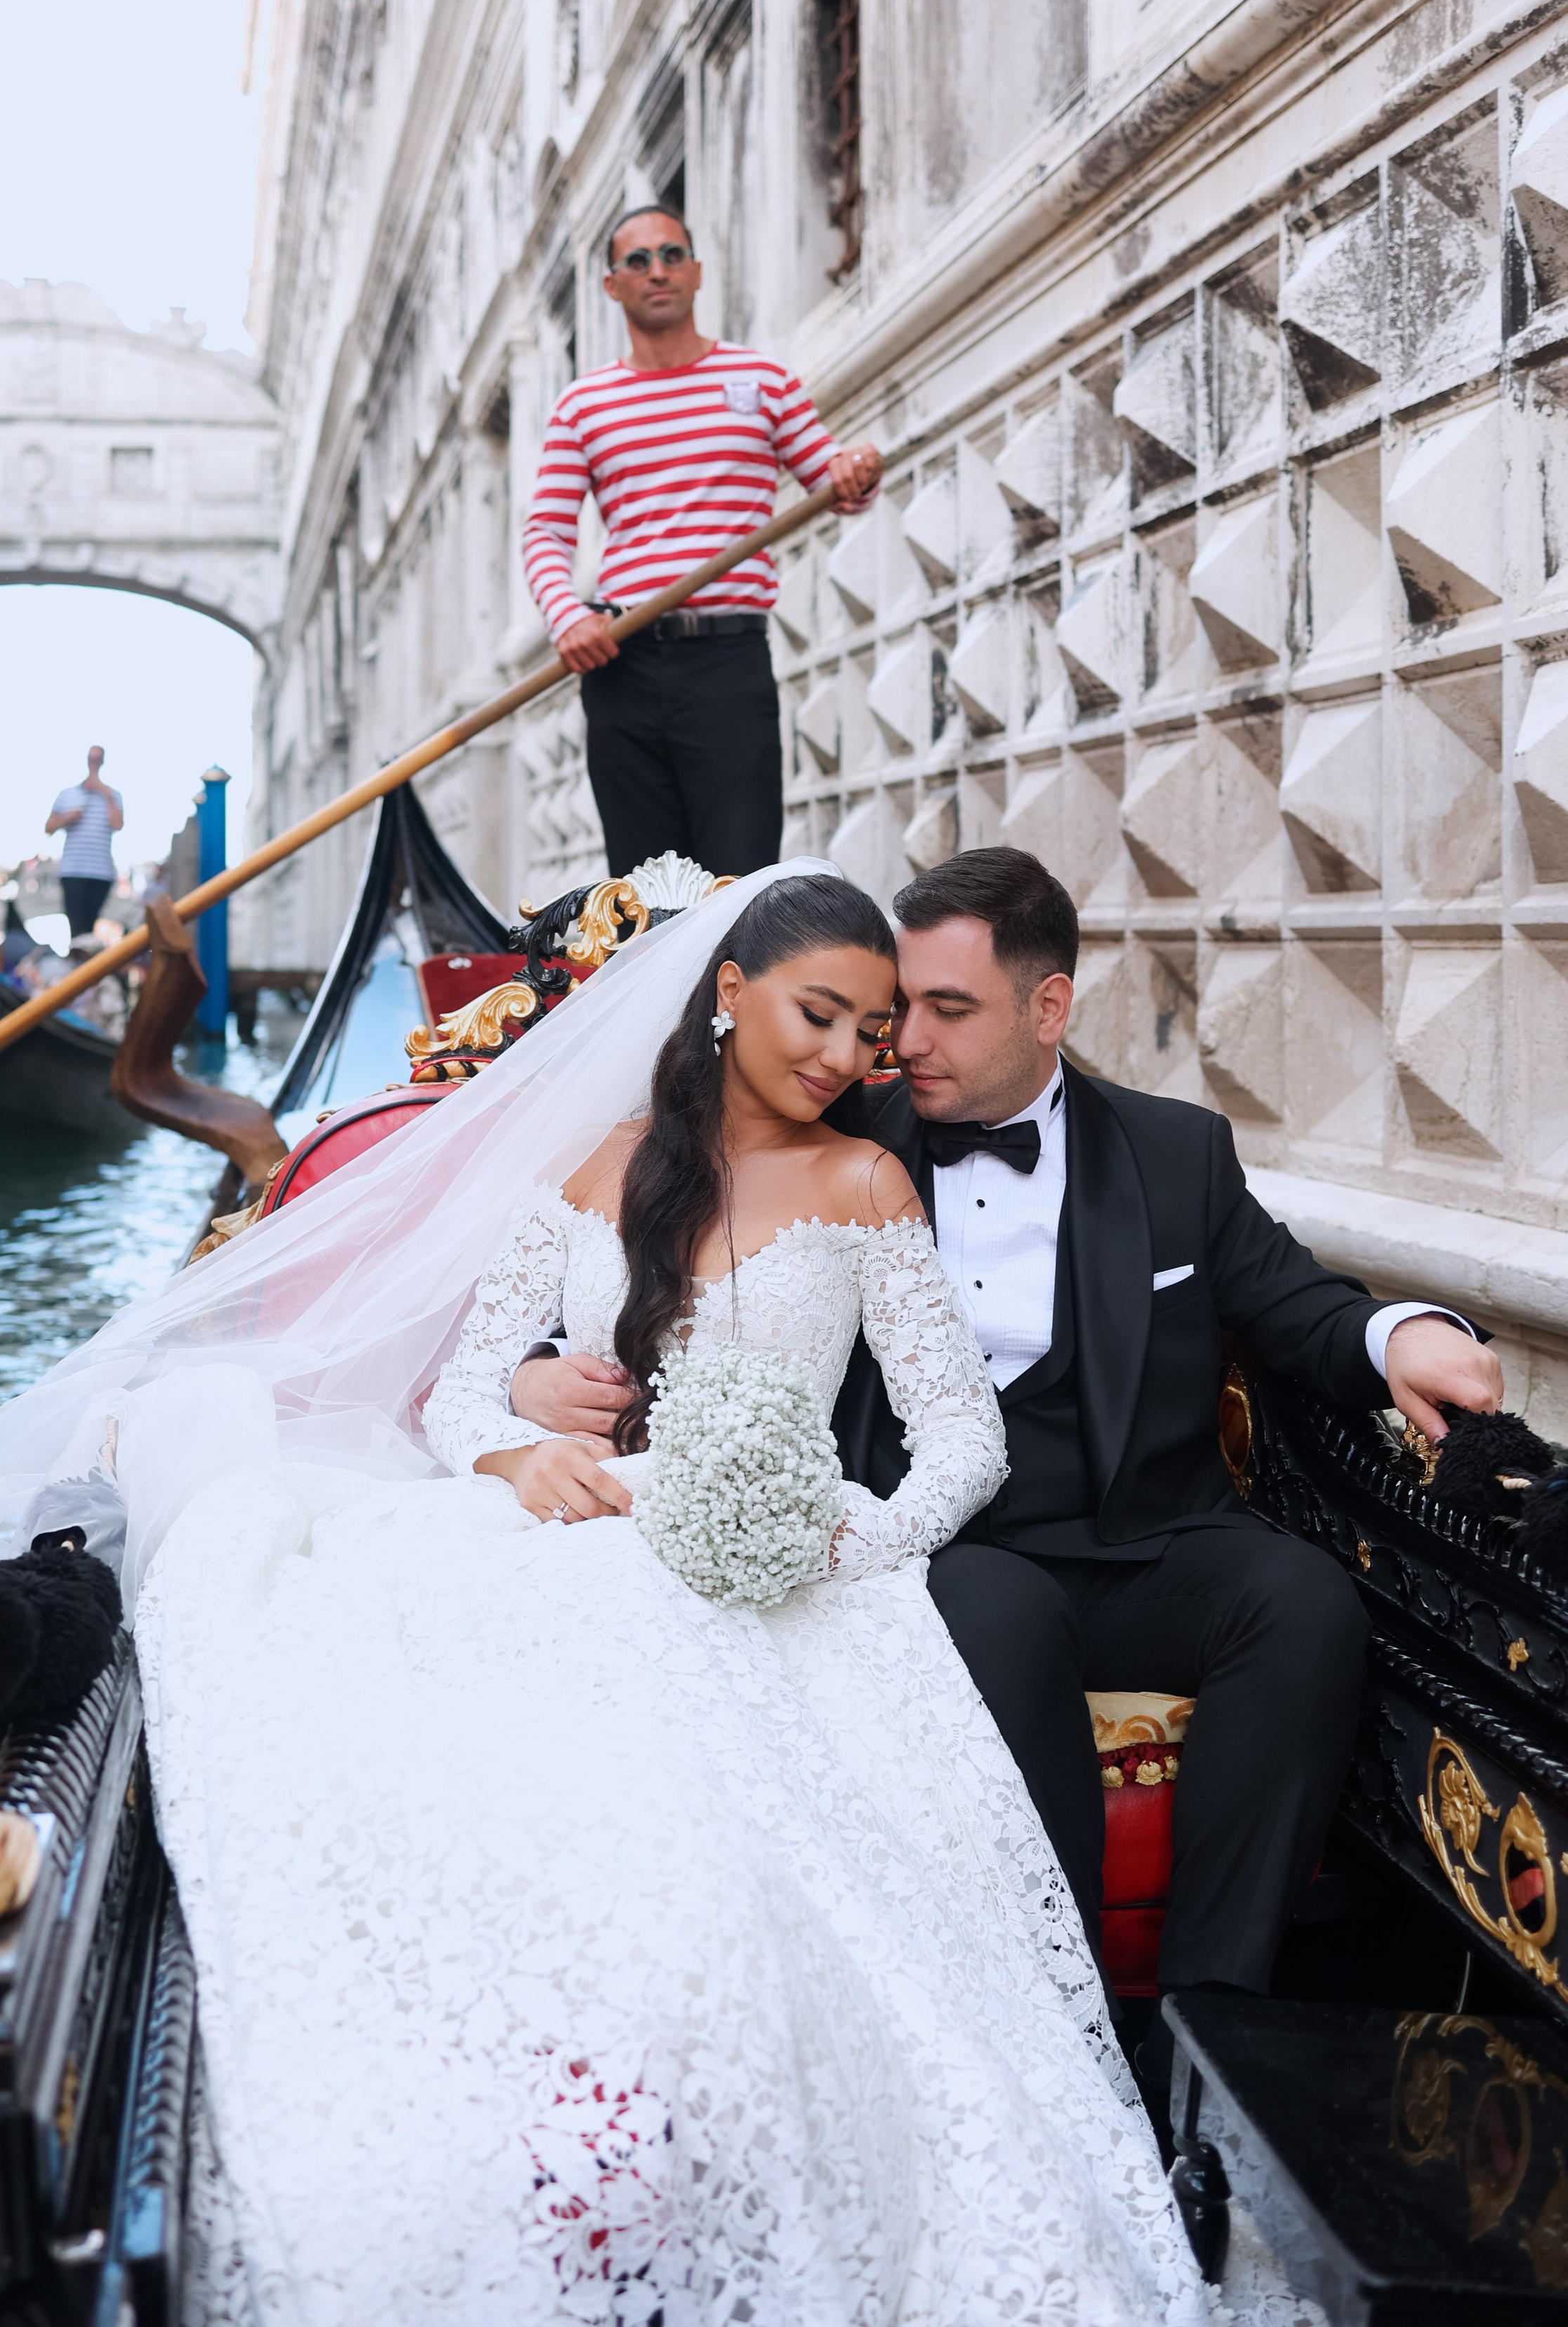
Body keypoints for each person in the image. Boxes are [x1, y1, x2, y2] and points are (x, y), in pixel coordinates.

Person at [0, 864, 1205, 2323]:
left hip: (788, 1576)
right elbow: (463, 1387)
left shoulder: (868, 1181)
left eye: (872, 1031)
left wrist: (839, 1540)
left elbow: (962, 1440)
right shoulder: (594, 1167)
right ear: (728, 991)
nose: (843, 1055)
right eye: (819, 1012)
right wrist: (508, 1447)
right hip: (577, 1534)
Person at [512, 846, 1500, 2100]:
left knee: (1298, 1601)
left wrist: (1397, 1333)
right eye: (893, 1009)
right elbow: (671, 1288)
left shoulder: (1173, 1152)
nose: (899, 1041)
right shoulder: (833, 1137)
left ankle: (1211, 2032)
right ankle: (1064, 2021)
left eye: (943, 1009)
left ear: (1046, 1008)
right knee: (1002, 1613)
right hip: (938, 1544)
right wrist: (538, 1375)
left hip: (1144, 1534)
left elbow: (1294, 1301)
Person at [521, 206, 882, 878]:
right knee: (644, 892)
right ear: (612, 286)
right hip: (621, 661)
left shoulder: (763, 382)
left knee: (739, 880)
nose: (656, 272)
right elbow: (545, 529)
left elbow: (835, 482)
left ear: (695, 272)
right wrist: (566, 615)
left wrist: (854, 470)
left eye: (670, 255)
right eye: (637, 261)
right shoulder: (583, 404)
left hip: (727, 663)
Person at [46, 746, 122, 940]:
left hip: (101, 872)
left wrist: (104, 793)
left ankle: (86, 964)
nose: (94, 762)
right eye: (92, 758)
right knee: (76, 927)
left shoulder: (113, 796)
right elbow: (49, 827)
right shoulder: (67, 795)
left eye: (98, 759)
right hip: (73, 870)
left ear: (103, 762)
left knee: (89, 927)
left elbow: (117, 824)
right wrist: (68, 818)